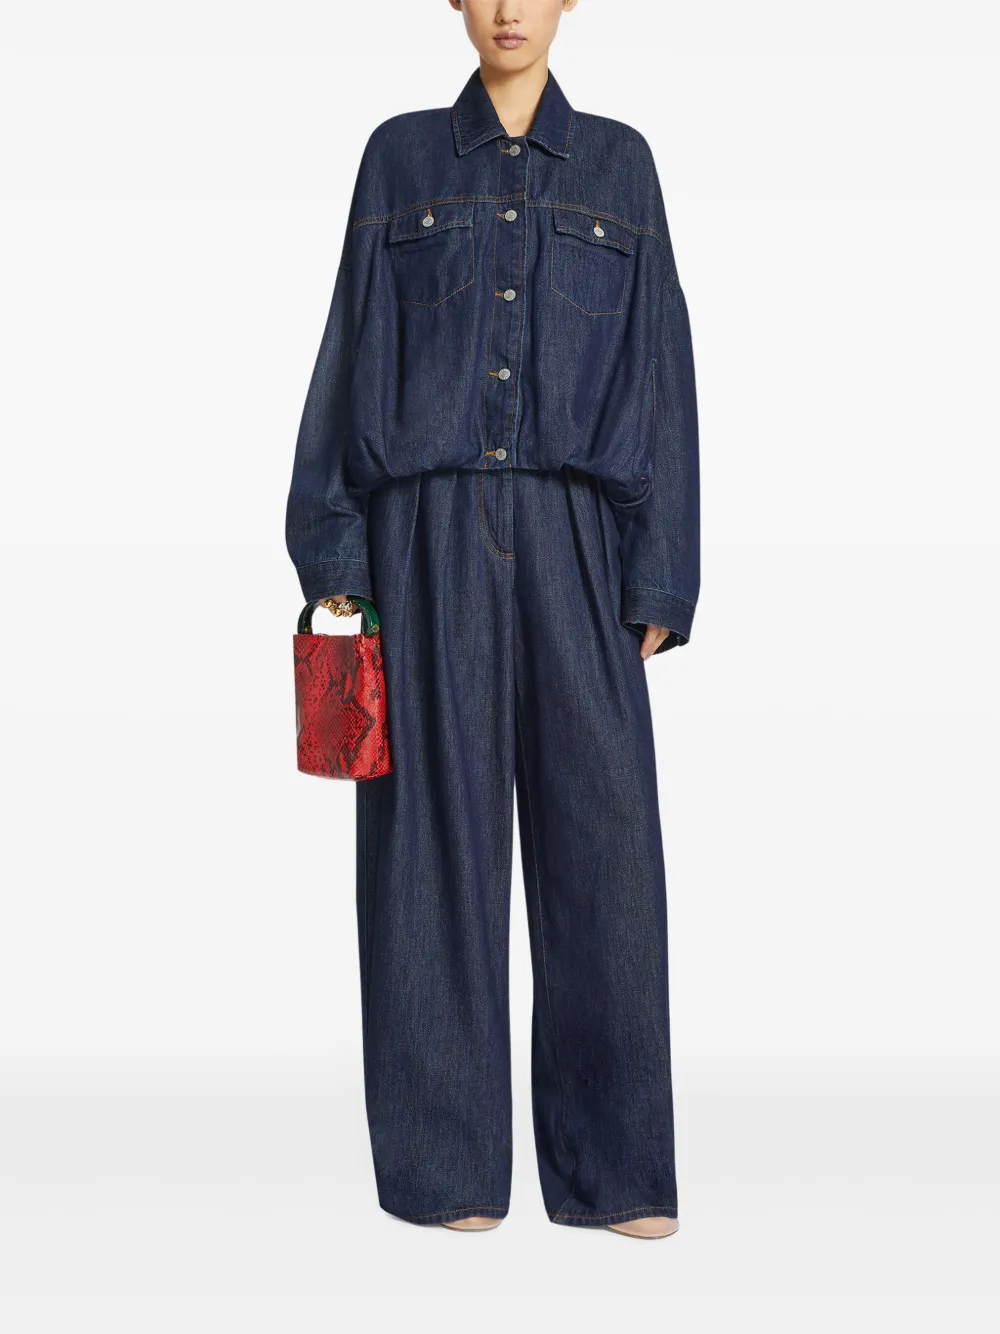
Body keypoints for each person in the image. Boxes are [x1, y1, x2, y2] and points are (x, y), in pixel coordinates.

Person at [285, 0, 699, 1239]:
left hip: (579, 540)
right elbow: (347, 352)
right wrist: (337, 557)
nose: (510, 8)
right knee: (428, 856)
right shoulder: (398, 158)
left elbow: (662, 368)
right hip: (422, 539)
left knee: (606, 860)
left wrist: (660, 575)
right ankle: (445, 1167)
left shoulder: (620, 165)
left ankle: (615, 1171)